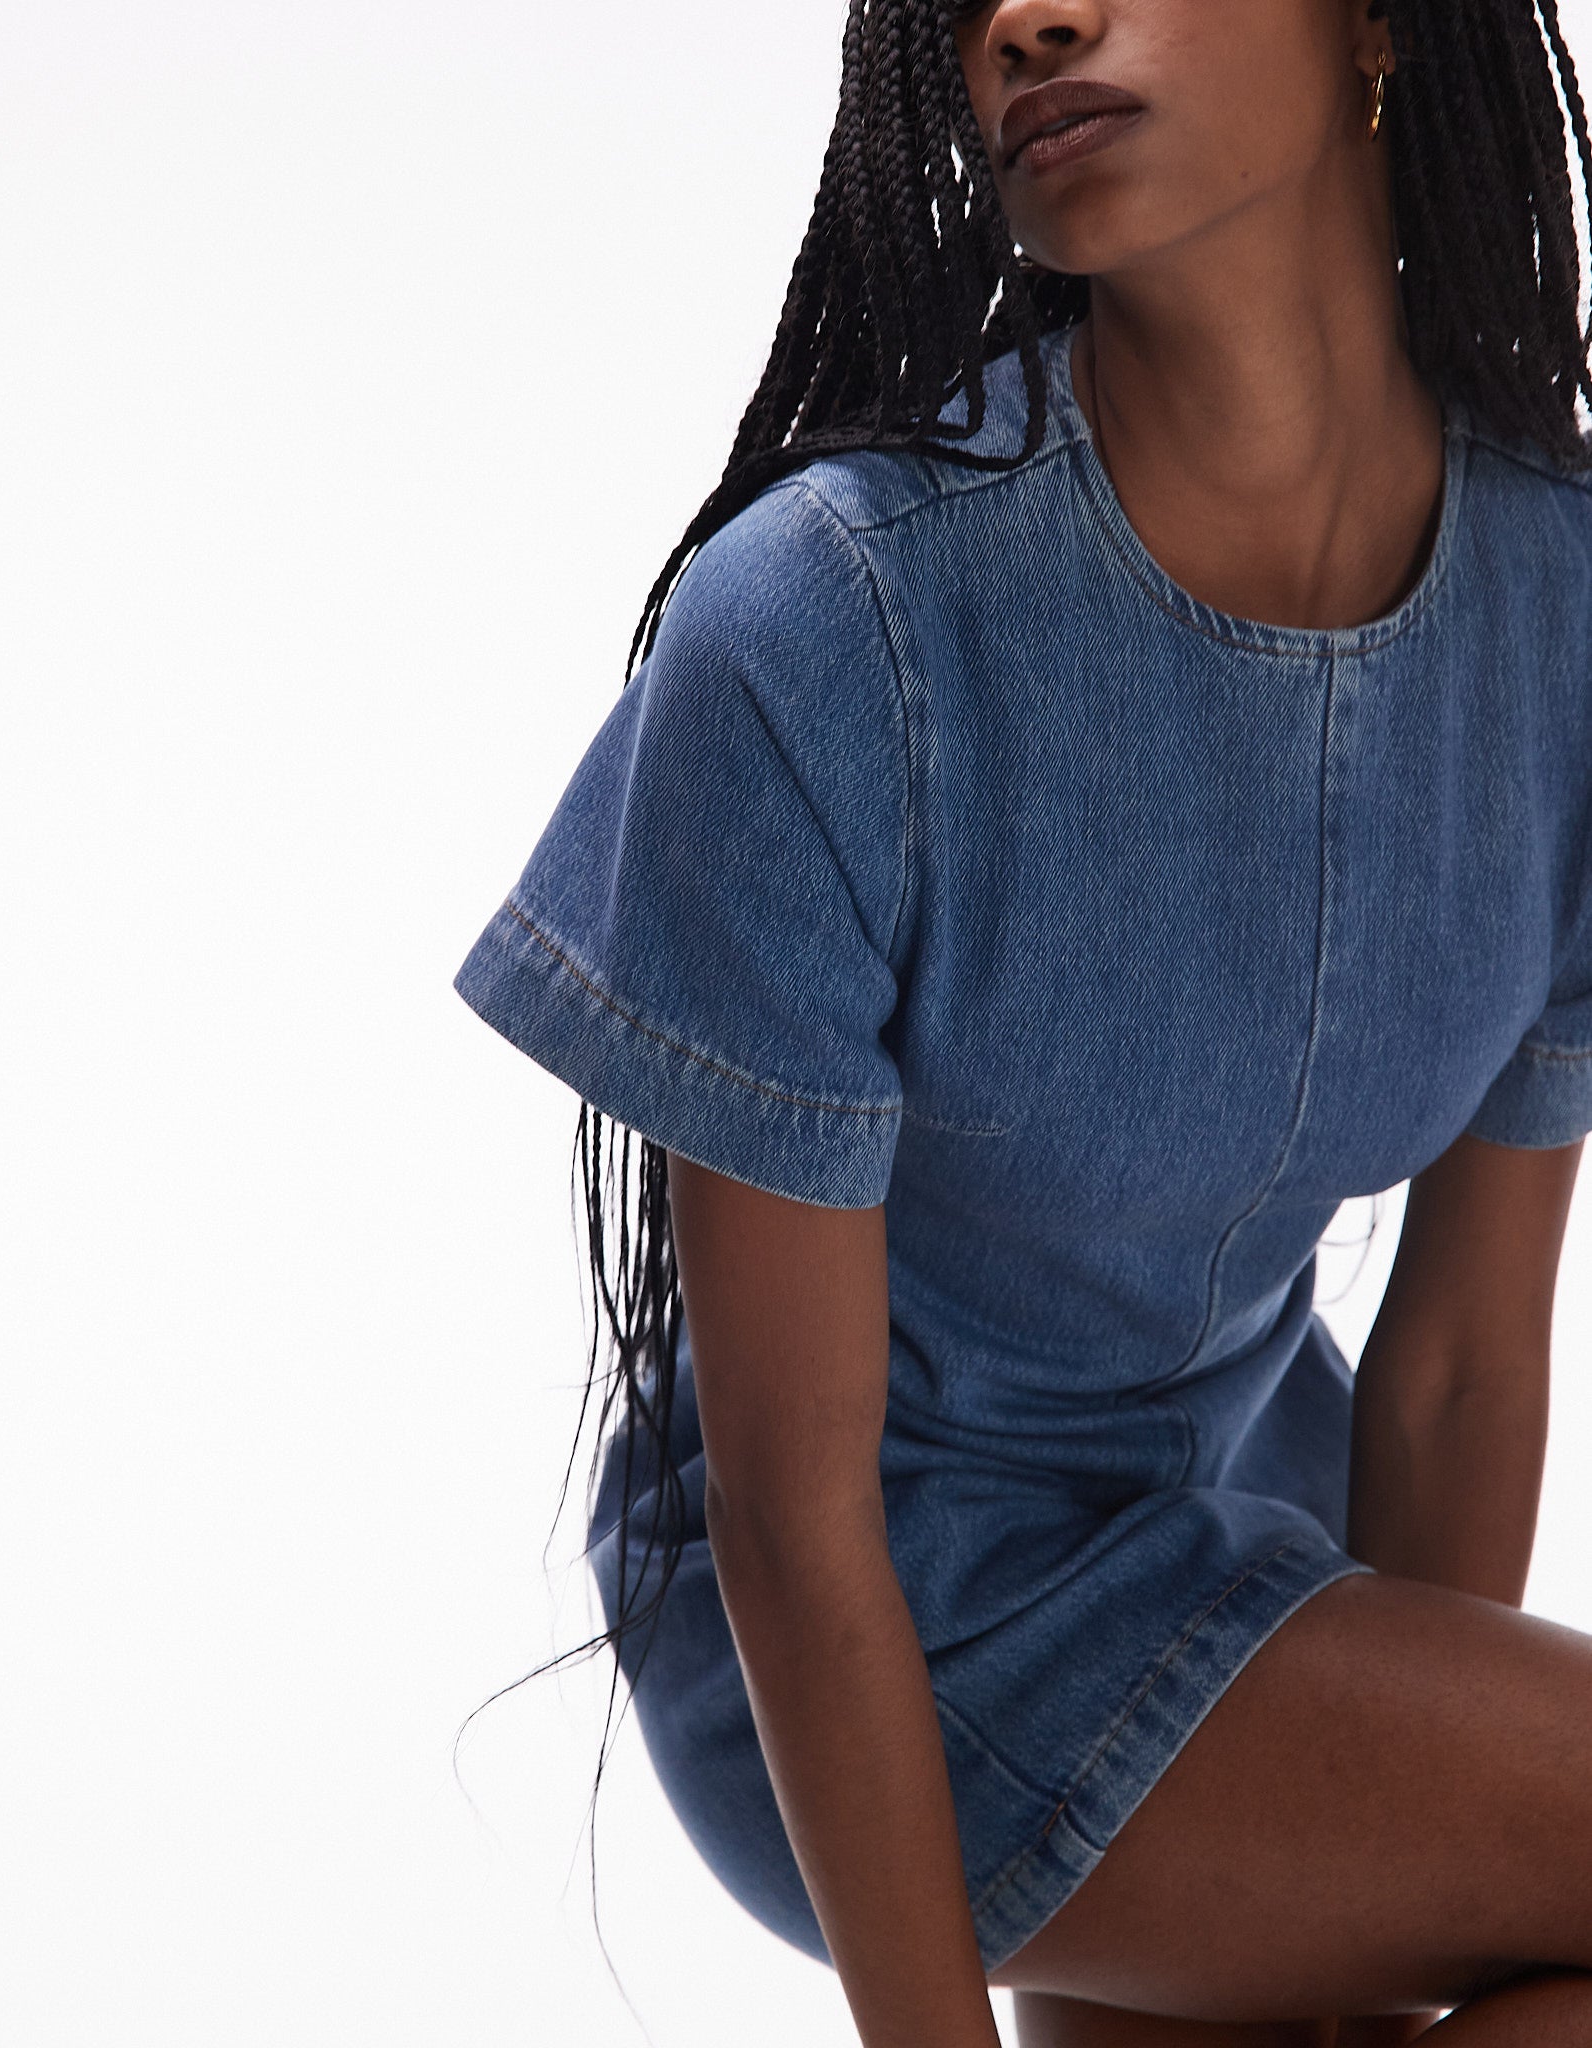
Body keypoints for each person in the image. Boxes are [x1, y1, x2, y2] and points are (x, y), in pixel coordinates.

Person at [452, 2, 1592, 2042]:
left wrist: (1395, 1884)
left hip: (1251, 1521)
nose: (1024, 18)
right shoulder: (827, 627)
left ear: (1373, 24)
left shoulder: (1562, 610)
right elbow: (793, 1519)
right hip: (891, 1625)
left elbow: (1451, 1371)